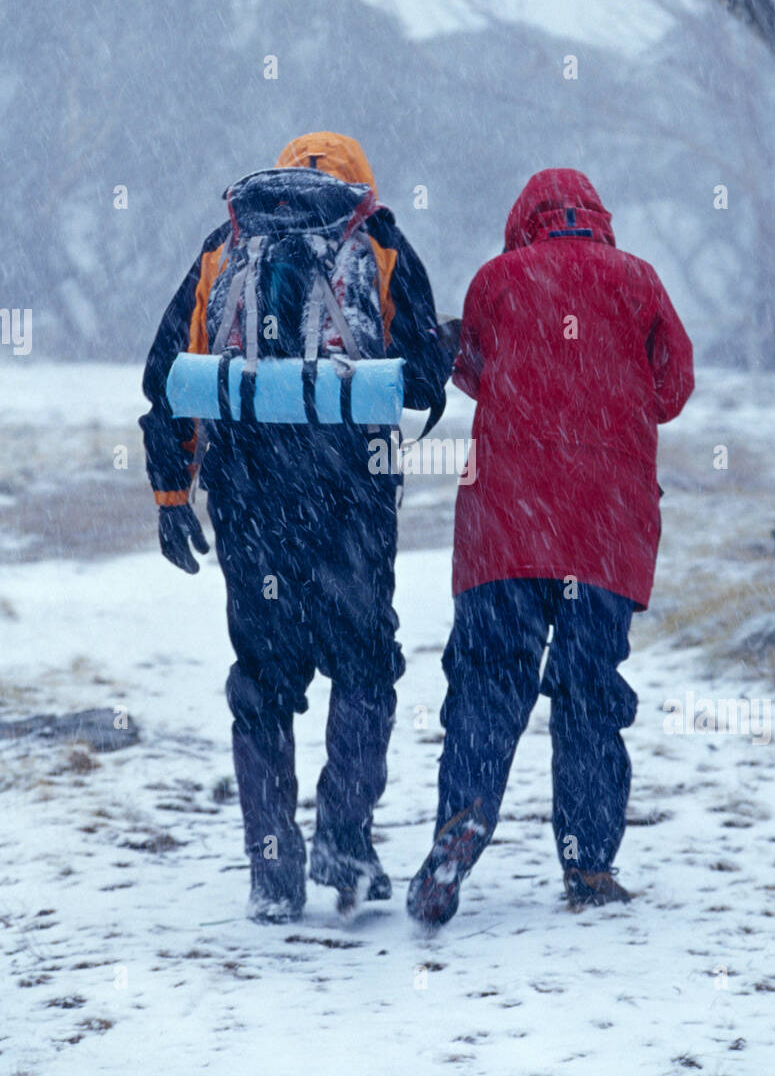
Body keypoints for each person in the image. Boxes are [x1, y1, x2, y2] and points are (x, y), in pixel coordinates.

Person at [140, 132, 450, 922]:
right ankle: (343, 841)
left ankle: (272, 873)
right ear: (359, 186)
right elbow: (421, 380)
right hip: (350, 494)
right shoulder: (376, 242)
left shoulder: (228, 244)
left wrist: (173, 497)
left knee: (263, 678)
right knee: (364, 663)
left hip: (248, 494)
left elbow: (166, 375)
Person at [407, 168, 694, 926]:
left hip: (507, 524)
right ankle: (589, 865)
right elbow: (672, 391)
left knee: (486, 682)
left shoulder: (497, 280)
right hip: (606, 528)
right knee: (589, 693)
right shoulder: (639, 280)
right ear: (597, 217)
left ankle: (460, 824)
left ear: (523, 221)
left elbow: (471, 370)